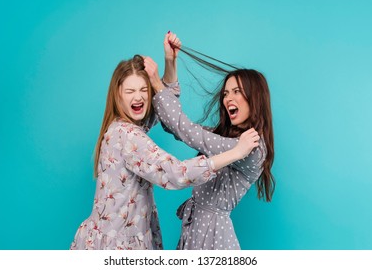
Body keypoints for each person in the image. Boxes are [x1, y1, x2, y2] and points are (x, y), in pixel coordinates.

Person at [70, 33, 261, 250]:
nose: (138, 97)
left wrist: (170, 63)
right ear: (117, 95)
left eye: (144, 90)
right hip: (119, 246)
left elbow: (167, 115)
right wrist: (236, 152)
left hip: (192, 237)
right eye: (130, 91)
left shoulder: (125, 127)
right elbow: (176, 168)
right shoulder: (128, 136)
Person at [151, 44, 275, 250]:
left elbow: (185, 129)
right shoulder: (226, 138)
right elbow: (174, 126)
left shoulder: (252, 146)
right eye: (226, 93)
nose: (228, 99)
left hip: (213, 237)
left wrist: (156, 82)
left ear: (256, 98)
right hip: (196, 229)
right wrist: (170, 62)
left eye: (237, 91)